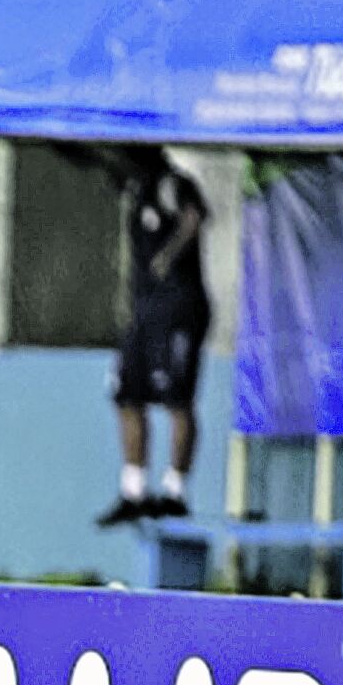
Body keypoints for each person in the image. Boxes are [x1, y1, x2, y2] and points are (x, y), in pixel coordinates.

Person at [92, 146, 210, 526]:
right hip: (144, 313)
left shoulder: (173, 185)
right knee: (127, 393)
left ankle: (174, 490)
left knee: (177, 398)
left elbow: (194, 216)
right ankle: (133, 489)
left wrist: (169, 255)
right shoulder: (135, 188)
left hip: (178, 310)